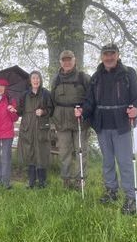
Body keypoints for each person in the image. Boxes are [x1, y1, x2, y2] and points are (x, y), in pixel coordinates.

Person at [74, 43, 137, 215]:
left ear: (118, 55)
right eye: (106, 54)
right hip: (102, 125)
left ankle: (131, 196)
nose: (109, 57)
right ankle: (111, 191)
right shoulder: (96, 77)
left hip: (122, 125)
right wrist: (83, 111)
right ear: (101, 57)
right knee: (107, 161)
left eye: (112, 54)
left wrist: (136, 108)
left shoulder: (128, 73)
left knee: (125, 161)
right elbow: (90, 101)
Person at [50, 50, 91, 190]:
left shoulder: (83, 77)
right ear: (60, 62)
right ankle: (66, 180)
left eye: (69, 59)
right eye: (64, 60)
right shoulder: (55, 79)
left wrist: (83, 110)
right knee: (64, 153)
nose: (66, 62)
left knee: (81, 151)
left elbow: (91, 100)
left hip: (80, 121)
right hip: (61, 122)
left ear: (75, 60)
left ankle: (80, 180)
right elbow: (52, 100)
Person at [17, 71, 54, 189]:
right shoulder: (24, 95)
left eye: (37, 78)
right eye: (33, 78)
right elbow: (20, 111)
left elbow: (51, 109)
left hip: (41, 128)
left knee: (41, 153)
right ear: (30, 80)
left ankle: (42, 182)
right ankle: (31, 181)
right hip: (27, 128)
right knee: (30, 153)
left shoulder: (46, 94)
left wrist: (43, 112)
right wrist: (14, 109)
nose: (35, 80)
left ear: (40, 80)